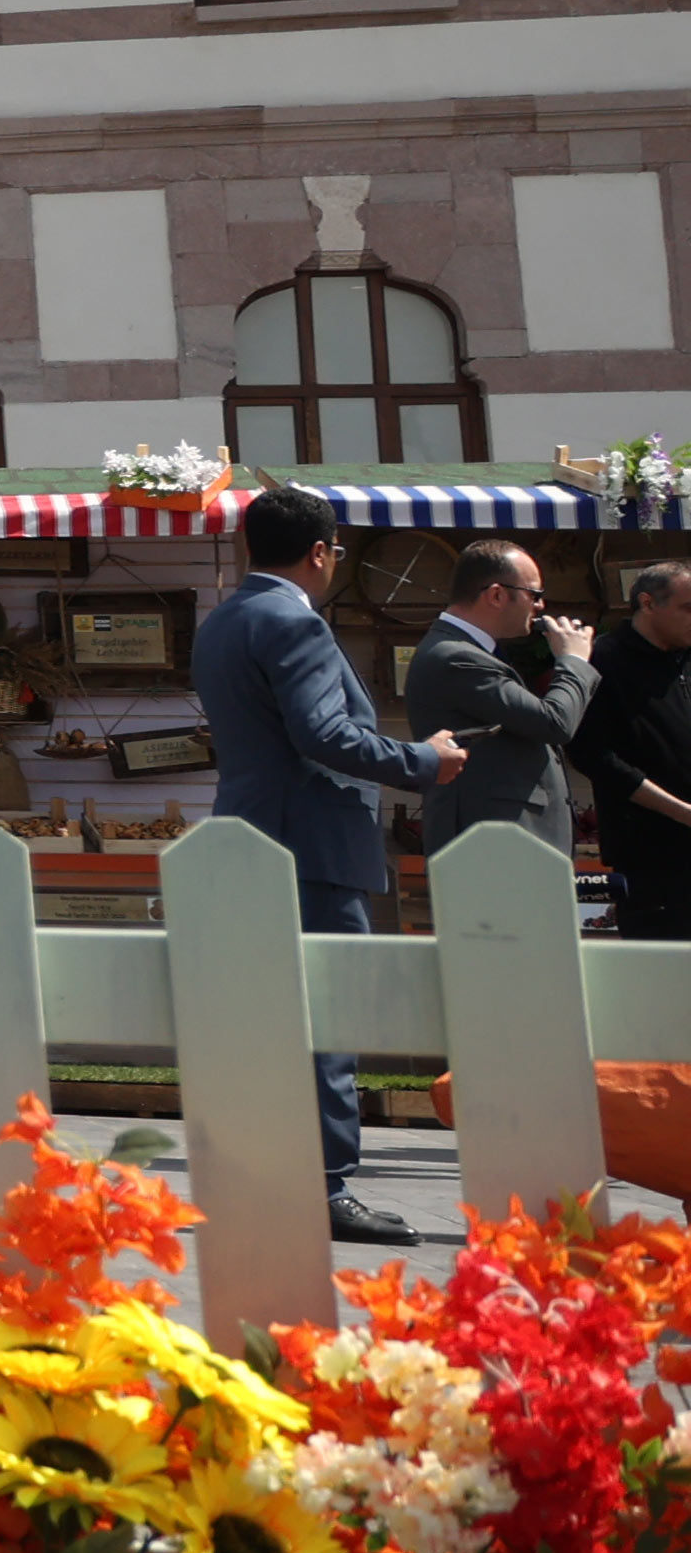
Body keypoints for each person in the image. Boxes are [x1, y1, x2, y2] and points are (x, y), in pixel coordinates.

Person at [194, 483, 464, 1248]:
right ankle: (325, 1188)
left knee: (269, 1019)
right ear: (321, 553)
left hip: (251, 836)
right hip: (313, 843)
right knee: (326, 1018)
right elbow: (324, 736)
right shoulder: (294, 622)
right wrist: (423, 759)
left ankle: (268, 1175)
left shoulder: (224, 622)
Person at [404, 538, 591, 858]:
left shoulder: (468, 652)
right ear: (496, 594)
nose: (541, 607)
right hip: (493, 844)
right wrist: (574, 661)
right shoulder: (456, 656)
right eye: (535, 595)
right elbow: (555, 723)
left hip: (506, 841)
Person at [572, 562, 691, 937]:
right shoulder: (603, 662)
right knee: (663, 978)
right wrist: (682, 812)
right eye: (688, 608)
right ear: (648, 603)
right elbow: (594, 756)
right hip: (653, 857)